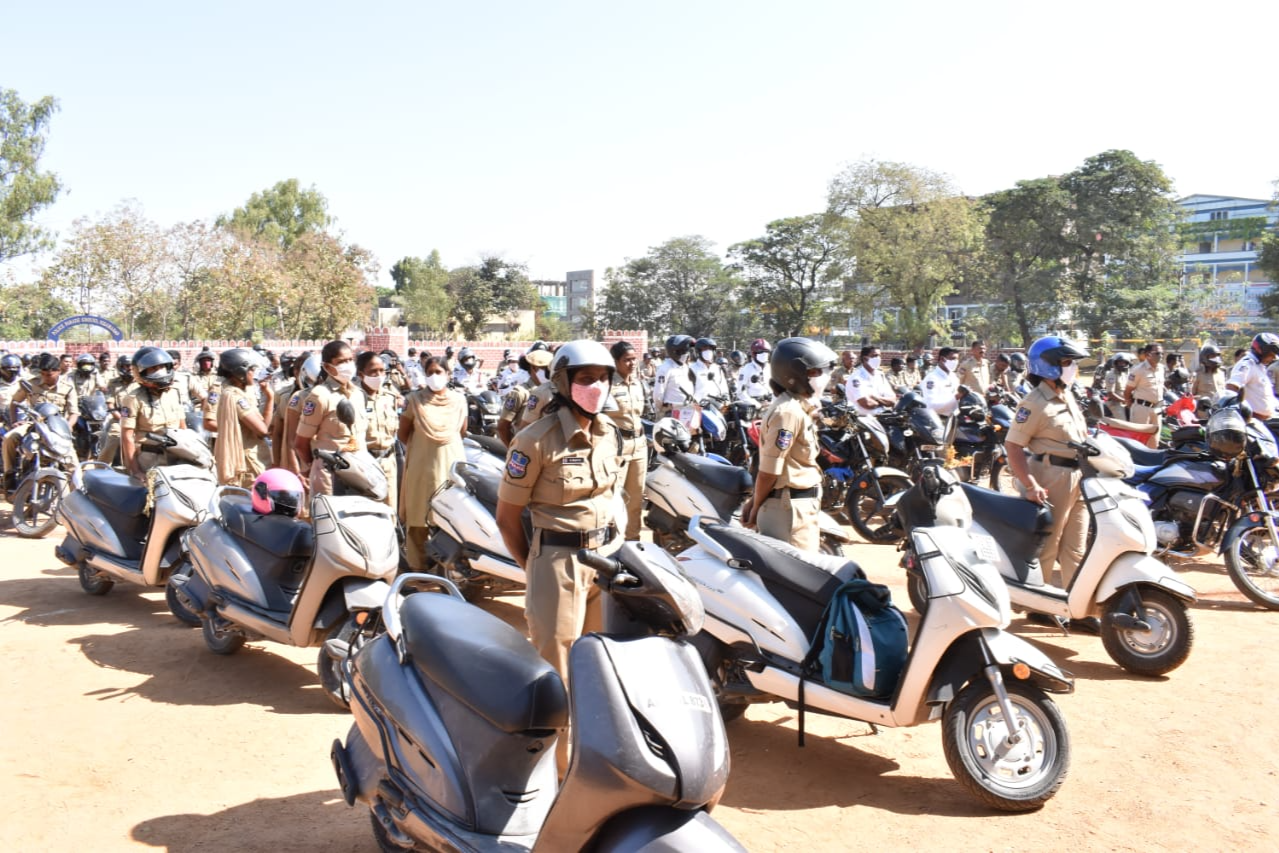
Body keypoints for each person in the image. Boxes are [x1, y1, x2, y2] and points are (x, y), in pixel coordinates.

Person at [495, 340, 623, 771]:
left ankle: (594, 762)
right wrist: (533, 568)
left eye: (603, 378)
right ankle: (557, 773)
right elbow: (508, 518)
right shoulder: (534, 441)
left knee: (599, 667)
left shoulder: (610, 433)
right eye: (586, 379)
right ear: (563, 383)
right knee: (559, 670)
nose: (597, 387)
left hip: (604, 562)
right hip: (559, 563)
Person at [1004, 336, 1097, 632]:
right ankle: (1039, 605)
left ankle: (1077, 607)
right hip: (1050, 476)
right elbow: (1013, 446)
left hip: (1079, 476)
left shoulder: (1067, 394)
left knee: (1075, 547)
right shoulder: (1034, 403)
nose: (1073, 368)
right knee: (1048, 545)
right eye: (1067, 362)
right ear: (1050, 366)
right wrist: (1030, 484)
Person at [742, 337, 834, 551]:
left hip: (796, 506)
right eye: (816, 372)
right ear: (795, 376)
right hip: (789, 509)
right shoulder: (787, 413)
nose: (824, 378)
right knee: (798, 578)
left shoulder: (798, 408)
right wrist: (755, 507)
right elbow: (769, 471)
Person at [398, 355, 468, 569]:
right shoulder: (414, 400)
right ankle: (418, 568)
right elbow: (403, 433)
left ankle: (447, 568)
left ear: (448, 374)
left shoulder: (459, 400)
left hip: (450, 465)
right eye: (430, 373)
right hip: (422, 466)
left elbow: (462, 431)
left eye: (439, 372)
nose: (434, 376)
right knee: (418, 518)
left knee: (450, 518)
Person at [295, 340, 367, 497]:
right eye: (341, 362)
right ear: (327, 367)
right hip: (331, 478)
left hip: (359, 473)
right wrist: (315, 467)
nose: (348, 365)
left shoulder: (358, 394)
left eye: (350, 360)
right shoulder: (320, 396)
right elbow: (301, 444)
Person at [4, 352, 79, 490]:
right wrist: (14, 422)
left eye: (49, 375)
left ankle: (78, 494)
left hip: (57, 428)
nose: (45, 377)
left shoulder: (68, 388)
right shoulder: (31, 384)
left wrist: (68, 427)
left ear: (58, 371)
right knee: (9, 438)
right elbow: (14, 403)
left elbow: (74, 413)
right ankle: (9, 474)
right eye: (43, 374)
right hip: (33, 424)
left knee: (73, 462)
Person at [120, 347, 186, 480]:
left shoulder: (174, 393)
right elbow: (127, 437)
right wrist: (136, 470)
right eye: (154, 369)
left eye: (162, 367)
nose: (160, 372)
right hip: (149, 459)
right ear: (142, 372)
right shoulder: (132, 399)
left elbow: (183, 427)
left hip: (175, 456)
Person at [212, 348, 274, 487]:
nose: (254, 373)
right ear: (240, 372)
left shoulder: (235, 392)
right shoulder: (236, 397)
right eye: (251, 369)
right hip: (249, 464)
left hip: (249, 460)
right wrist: (270, 398)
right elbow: (262, 430)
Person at [604, 341, 647, 541]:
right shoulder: (607, 385)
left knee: (636, 498)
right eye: (626, 360)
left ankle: (633, 541)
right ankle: (613, 541)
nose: (632, 364)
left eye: (633, 359)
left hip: (639, 445)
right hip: (616, 447)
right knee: (614, 497)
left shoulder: (638, 383)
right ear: (615, 362)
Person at [358, 351, 400, 508]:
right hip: (363, 464)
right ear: (361, 374)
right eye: (373, 371)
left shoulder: (389, 397)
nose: (379, 375)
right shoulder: (353, 398)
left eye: (382, 370)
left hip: (388, 462)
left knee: (390, 511)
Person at [497, 347, 553, 446]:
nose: (548, 372)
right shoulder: (520, 392)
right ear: (532, 368)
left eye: (549, 368)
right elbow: (502, 427)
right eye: (544, 368)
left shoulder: (554, 391)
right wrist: (513, 450)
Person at [1227, 333, 1279, 420]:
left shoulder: (1260, 366)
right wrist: (1242, 413)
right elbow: (1232, 387)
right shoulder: (1247, 364)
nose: (1273, 357)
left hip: (1268, 420)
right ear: (1262, 350)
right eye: (1272, 354)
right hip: (1254, 421)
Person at [1124, 343, 1165, 445]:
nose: (1160, 356)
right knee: (1139, 440)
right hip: (1142, 409)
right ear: (1148, 354)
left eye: (1162, 353)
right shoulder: (1138, 370)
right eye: (1157, 353)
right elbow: (1128, 391)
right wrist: (1131, 404)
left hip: (1157, 409)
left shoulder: (1161, 368)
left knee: (1154, 442)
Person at [97, 355, 134, 466]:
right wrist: (122, 419)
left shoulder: (141, 383)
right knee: (114, 437)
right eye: (127, 366)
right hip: (120, 418)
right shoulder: (113, 383)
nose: (130, 369)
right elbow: (111, 405)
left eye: (132, 366)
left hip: (139, 420)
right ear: (120, 367)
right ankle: (101, 468)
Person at [845, 345, 895, 417]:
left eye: (879, 356)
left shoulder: (880, 375)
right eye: (875, 356)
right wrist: (884, 402)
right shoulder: (856, 378)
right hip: (864, 420)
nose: (878, 358)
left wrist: (875, 398)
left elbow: (892, 400)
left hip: (883, 416)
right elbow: (867, 404)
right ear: (865, 358)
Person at [921, 346, 963, 415]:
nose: (955, 362)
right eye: (953, 359)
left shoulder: (953, 376)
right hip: (940, 419)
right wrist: (956, 397)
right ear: (942, 359)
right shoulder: (932, 379)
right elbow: (931, 406)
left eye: (957, 359)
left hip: (953, 418)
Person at [690, 337, 731, 404]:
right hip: (698, 407)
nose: (708, 351)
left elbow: (724, 389)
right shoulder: (691, 369)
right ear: (698, 351)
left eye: (710, 349)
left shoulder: (717, 369)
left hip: (717, 406)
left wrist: (726, 400)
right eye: (705, 349)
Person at [736, 338, 773, 404]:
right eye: (760, 352)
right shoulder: (746, 369)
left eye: (766, 351)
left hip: (770, 403)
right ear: (753, 354)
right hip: (753, 405)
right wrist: (756, 404)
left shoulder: (770, 368)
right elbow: (740, 392)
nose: (764, 354)